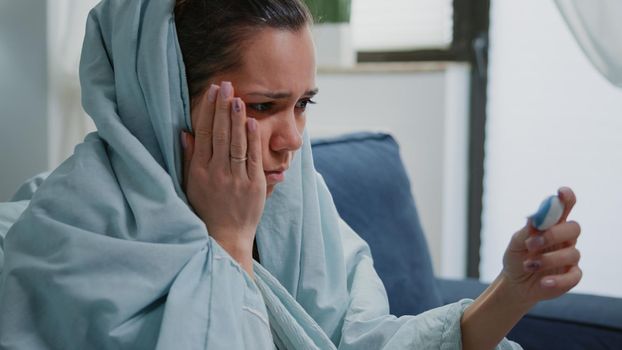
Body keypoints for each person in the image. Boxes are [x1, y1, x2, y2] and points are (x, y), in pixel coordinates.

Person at [0, 0, 582, 349]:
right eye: (259, 107)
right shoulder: (71, 236)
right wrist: (228, 244)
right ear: (169, 99)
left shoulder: (296, 203)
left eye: (303, 104)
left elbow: (365, 342)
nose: (293, 141)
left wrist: (513, 290)